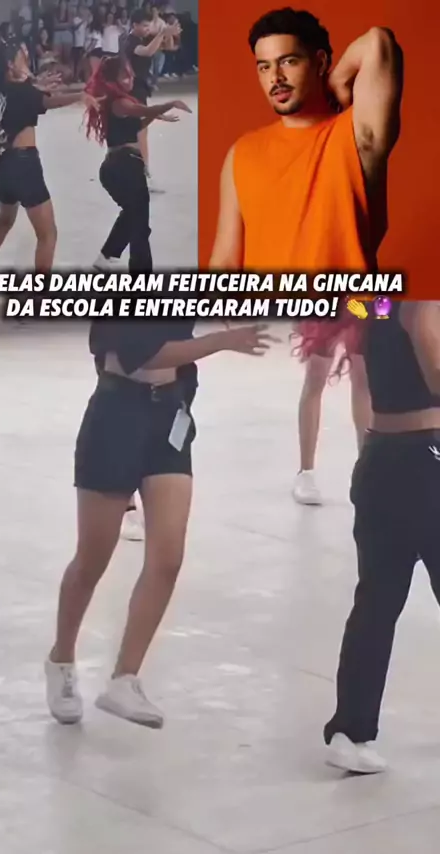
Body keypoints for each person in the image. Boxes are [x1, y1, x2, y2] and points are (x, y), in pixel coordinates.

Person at [210, 9, 402, 504]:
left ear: (318, 61)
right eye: (263, 66)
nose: (274, 77)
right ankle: (307, 470)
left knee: (368, 370)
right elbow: (223, 262)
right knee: (318, 375)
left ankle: (370, 469)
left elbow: (379, 41)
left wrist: (337, 82)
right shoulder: (243, 153)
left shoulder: (354, 135)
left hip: (360, 298)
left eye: (288, 61)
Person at [45, 318, 274, 727]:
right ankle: (61, 660)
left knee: (167, 558)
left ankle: (125, 678)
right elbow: (144, 354)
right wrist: (223, 340)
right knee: (92, 560)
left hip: (169, 412)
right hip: (116, 414)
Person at [321, 296, 440, 773]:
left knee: (376, 601)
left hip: (380, 459)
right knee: (377, 601)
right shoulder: (419, 302)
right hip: (424, 462)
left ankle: (349, 731)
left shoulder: (377, 302)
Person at [0, 39, 100, 290]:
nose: (26, 57)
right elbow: (48, 101)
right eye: (21, 56)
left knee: (5, 220)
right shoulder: (23, 92)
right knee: (48, 233)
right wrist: (80, 96)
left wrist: (35, 83)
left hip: (3, 166)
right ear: (10, 65)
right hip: (25, 165)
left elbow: (26, 93)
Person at [85, 53, 191, 274]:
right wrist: (168, 104)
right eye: (125, 76)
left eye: (131, 75)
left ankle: (108, 256)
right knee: (139, 224)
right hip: (124, 167)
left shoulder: (119, 101)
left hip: (121, 166)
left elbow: (138, 124)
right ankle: (135, 275)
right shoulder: (119, 102)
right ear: (113, 79)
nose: (131, 79)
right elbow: (141, 110)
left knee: (135, 218)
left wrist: (155, 115)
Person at [125, 7, 181, 193]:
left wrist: (168, 34)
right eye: (144, 26)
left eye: (149, 26)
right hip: (131, 90)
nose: (148, 29)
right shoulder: (130, 41)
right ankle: (142, 175)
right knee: (139, 133)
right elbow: (147, 52)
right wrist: (163, 32)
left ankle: (140, 173)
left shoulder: (144, 37)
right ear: (135, 25)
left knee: (139, 133)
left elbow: (169, 48)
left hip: (139, 89)